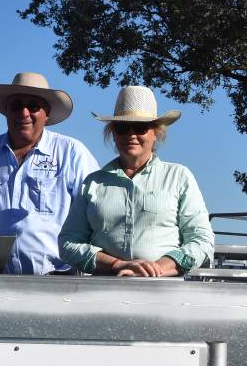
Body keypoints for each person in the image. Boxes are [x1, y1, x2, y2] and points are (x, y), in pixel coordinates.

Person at [58, 86, 214, 276]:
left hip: (165, 293)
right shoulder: (93, 183)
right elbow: (68, 243)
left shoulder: (179, 177)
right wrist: (116, 265)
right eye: (123, 128)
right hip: (103, 292)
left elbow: (202, 240)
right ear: (113, 133)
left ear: (155, 132)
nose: (131, 135)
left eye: (140, 127)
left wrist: (159, 268)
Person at [0, 72, 99, 273]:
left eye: (33, 106)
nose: (24, 113)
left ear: (46, 113)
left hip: (57, 281)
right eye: (16, 105)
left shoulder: (72, 152)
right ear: (6, 110)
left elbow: (96, 216)